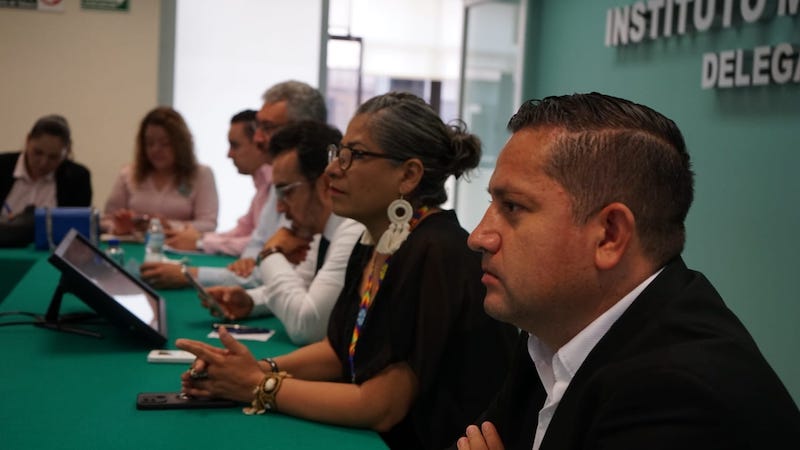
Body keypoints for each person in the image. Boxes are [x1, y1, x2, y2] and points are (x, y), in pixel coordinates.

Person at [454, 92, 800, 450]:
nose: (478, 237)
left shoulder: (680, 397)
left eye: (512, 207)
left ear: (610, 235)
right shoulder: (552, 332)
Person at [176, 92, 519, 450]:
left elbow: (381, 405)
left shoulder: (438, 251)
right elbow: (338, 351)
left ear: (408, 175)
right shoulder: (377, 239)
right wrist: (256, 368)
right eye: (338, 153)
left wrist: (257, 385)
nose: (332, 170)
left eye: (355, 155)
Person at [139, 81, 328, 290]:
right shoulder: (279, 181)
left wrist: (190, 270)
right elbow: (257, 242)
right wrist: (249, 260)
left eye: (267, 128)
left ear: (303, 129)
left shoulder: (310, 189)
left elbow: (277, 280)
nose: (257, 138)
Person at [198, 120, 363, 344]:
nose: (280, 208)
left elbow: (306, 326)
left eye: (286, 192)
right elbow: (302, 285)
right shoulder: (323, 229)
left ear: (324, 185)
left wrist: (270, 253)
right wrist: (250, 301)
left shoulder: (352, 229)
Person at [162, 109, 270, 256]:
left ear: (258, 143)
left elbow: (262, 243)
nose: (229, 154)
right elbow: (243, 229)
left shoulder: (275, 184)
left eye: (235, 145)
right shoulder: (262, 183)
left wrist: (200, 242)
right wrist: (200, 238)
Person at [103, 106, 219, 235]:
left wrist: (169, 226)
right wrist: (118, 227)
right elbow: (106, 220)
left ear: (180, 144)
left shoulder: (201, 175)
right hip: (134, 243)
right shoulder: (128, 174)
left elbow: (208, 224)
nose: (156, 150)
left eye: (165, 143)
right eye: (149, 143)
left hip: (178, 244)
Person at [0, 114, 91, 216]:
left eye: (53, 157)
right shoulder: (2, 165)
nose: (43, 163)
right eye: (37, 153)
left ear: (67, 152)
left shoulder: (77, 178)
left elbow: (76, 222)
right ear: (28, 140)